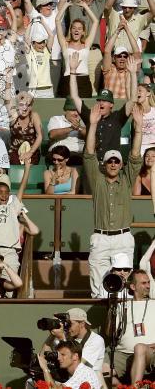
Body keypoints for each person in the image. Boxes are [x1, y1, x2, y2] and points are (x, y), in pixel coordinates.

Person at [83, 103, 143, 297]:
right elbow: (89, 155)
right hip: (101, 237)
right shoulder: (97, 180)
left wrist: (139, 129)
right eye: (110, 161)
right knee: (98, 286)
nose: (114, 164)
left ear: (120, 164)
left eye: (117, 161)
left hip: (123, 238)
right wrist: (92, 125)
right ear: (105, 164)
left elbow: (135, 157)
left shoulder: (126, 180)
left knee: (124, 286)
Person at [108, 270, 155, 384]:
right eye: (144, 283)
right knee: (103, 371)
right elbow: (110, 333)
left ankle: (135, 387)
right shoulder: (121, 305)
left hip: (149, 353)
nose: (148, 286)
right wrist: (111, 308)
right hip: (123, 354)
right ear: (133, 286)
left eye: (148, 282)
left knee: (139, 348)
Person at [65, 308, 105, 374]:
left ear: (82, 324)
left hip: (87, 379)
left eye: (70, 324)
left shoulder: (96, 340)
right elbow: (42, 357)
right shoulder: (68, 337)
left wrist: (63, 339)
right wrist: (53, 332)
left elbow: (80, 366)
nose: (67, 327)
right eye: (66, 324)